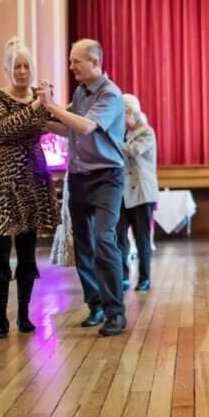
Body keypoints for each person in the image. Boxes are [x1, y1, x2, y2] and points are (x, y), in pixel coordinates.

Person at [0, 38, 60, 339]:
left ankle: (23, 315)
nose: (22, 72)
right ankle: (0, 318)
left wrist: (49, 102)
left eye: (26, 66)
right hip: (1, 179)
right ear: (7, 69)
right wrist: (36, 105)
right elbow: (4, 129)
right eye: (16, 67)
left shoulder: (38, 99)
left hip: (32, 178)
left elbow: (55, 124)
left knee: (27, 253)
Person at [46, 38, 127, 337]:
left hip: (107, 177)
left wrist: (52, 106)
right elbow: (66, 127)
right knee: (82, 246)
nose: (71, 67)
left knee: (104, 240)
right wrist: (41, 116)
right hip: (79, 178)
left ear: (95, 62)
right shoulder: (80, 93)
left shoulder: (111, 94)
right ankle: (95, 306)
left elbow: (86, 126)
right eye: (70, 61)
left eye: (76, 61)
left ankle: (115, 312)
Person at [118, 93, 157, 292]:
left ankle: (144, 278)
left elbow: (133, 151)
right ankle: (123, 277)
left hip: (142, 192)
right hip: (122, 193)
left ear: (131, 112)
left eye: (121, 113)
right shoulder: (120, 133)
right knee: (120, 237)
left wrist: (110, 141)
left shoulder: (146, 132)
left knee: (142, 238)